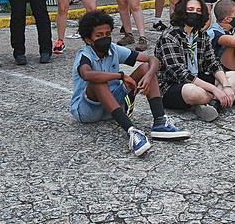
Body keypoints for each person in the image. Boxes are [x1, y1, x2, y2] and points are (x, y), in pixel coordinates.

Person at [71, 10, 189, 157]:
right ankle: (132, 132)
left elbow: (153, 59)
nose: (105, 38)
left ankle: (159, 122)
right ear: (88, 39)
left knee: (146, 68)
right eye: (99, 36)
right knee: (98, 81)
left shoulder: (113, 49)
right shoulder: (85, 54)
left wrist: (148, 76)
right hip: (88, 110)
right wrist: (121, 75)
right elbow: (86, 74)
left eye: (107, 34)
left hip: (113, 105)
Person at [154, 0, 235, 122]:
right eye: (190, 9)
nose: (194, 13)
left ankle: (212, 104)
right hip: (172, 85)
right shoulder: (170, 36)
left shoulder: (201, 34)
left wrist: (226, 86)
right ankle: (221, 98)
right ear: (182, 10)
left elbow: (212, 62)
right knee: (194, 93)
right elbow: (180, 74)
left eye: (198, 10)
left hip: (199, 77)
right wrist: (215, 89)